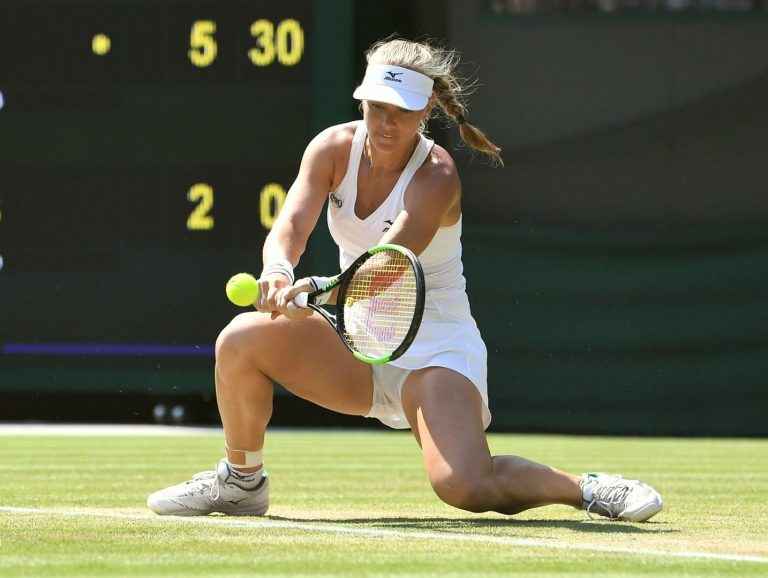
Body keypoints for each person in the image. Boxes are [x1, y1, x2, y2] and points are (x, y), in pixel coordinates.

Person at [147, 38, 663, 522]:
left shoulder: (437, 173)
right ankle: (241, 482)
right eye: (376, 107)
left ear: (426, 111)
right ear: (362, 103)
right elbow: (291, 226)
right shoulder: (331, 149)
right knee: (240, 339)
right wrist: (279, 271)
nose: (386, 123)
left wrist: (316, 288)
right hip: (353, 337)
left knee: (465, 487)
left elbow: (389, 263)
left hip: (433, 345)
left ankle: (588, 488)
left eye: (402, 111)